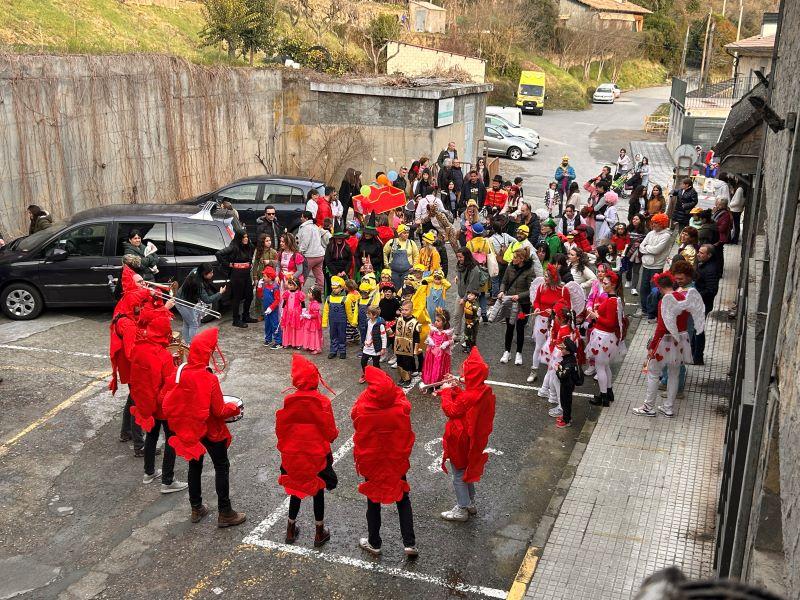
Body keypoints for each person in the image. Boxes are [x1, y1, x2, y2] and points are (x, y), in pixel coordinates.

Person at [162, 328, 246, 527]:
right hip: (211, 430)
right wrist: (233, 408)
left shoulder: (181, 371)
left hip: (192, 428)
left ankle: (196, 507)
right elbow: (218, 411)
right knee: (221, 466)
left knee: (194, 466)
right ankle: (225, 512)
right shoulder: (209, 378)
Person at [352, 366, 417, 557]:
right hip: (395, 458)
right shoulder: (399, 406)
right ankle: (409, 543)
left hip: (372, 459)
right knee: (402, 496)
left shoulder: (364, 407)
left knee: (373, 499)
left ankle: (374, 542)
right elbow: (406, 405)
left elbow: (354, 416)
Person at [275, 353, 338, 546]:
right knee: (317, 490)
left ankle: (290, 529)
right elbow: (331, 434)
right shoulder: (323, 402)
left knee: (296, 487)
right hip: (316, 455)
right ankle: (319, 532)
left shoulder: (289, 400)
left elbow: (281, 431)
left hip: (293, 454)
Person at [129, 307, 188, 494]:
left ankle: (149, 472)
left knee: (152, 435)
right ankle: (168, 481)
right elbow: (169, 383)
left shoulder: (138, 347)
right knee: (171, 438)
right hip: (162, 405)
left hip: (147, 402)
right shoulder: (161, 355)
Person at [633, 273, 705, 418]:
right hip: (681, 338)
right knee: (674, 373)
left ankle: (648, 406)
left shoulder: (664, 301)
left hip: (665, 340)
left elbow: (661, 328)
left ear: (659, 287)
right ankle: (668, 408)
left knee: (653, 372)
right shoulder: (684, 297)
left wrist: (652, 347)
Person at [438, 348, 496, 522]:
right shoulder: (481, 390)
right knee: (466, 470)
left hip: (460, 437)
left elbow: (452, 410)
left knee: (458, 473)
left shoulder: (470, 395)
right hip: (470, 436)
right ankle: (470, 502)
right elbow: (466, 399)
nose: (462, 375)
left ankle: (462, 508)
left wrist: (446, 391)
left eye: (465, 373)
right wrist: (456, 387)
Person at [109, 267, 156, 456]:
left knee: (132, 399)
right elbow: (131, 353)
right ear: (130, 287)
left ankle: (125, 432)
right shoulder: (126, 323)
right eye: (140, 282)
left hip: (129, 365)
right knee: (139, 402)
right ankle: (139, 445)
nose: (144, 285)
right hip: (133, 366)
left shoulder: (127, 306)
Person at [586, 272, 626, 407]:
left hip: (603, 337)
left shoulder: (612, 301)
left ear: (613, 285)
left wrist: (595, 315)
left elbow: (610, 323)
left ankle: (603, 397)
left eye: (605, 283)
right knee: (605, 366)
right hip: (606, 338)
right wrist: (599, 308)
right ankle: (608, 392)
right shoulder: (614, 299)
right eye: (602, 282)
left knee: (600, 367)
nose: (602, 284)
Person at [497, 247, 536, 365]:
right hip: (510, 302)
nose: (512, 259)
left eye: (514, 257)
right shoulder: (510, 268)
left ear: (522, 259)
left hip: (523, 304)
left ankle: (519, 353)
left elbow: (532, 289)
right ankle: (507, 352)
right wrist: (502, 291)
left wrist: (519, 296)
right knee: (509, 327)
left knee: (520, 328)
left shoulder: (530, 271)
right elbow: (504, 282)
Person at [176, 264, 225, 344]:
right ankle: (193, 344)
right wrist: (220, 293)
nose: (212, 274)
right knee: (194, 324)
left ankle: (188, 344)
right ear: (204, 274)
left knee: (187, 323)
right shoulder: (198, 284)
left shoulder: (195, 271)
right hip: (182, 303)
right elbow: (207, 300)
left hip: (183, 300)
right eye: (211, 273)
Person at [216, 231, 255, 328]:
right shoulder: (233, 247)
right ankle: (236, 319)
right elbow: (218, 254)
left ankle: (246, 315)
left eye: (247, 236)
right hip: (237, 274)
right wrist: (228, 264)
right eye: (244, 237)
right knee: (237, 297)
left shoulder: (249, 246)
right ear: (239, 238)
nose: (246, 238)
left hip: (246, 274)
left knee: (249, 295)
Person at [637, 213, 672, 319]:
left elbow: (657, 250)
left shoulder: (666, 236)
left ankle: (652, 312)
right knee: (643, 288)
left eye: (656, 223)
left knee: (655, 291)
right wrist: (648, 248)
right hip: (646, 265)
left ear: (662, 224)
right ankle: (644, 310)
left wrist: (646, 248)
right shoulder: (651, 233)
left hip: (656, 266)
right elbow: (641, 246)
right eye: (653, 222)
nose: (653, 225)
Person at [692, 244, 721, 364]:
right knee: (696, 330)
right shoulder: (704, 265)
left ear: (709, 255)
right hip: (699, 303)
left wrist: (696, 295)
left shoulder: (710, 270)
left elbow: (711, 290)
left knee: (698, 330)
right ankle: (694, 354)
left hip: (703, 305)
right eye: (699, 252)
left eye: (702, 253)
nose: (698, 254)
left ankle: (697, 357)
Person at [453, 248, 482, 343]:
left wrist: (465, 298)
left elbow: (471, 286)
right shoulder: (461, 265)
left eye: (460, 257)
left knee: (469, 319)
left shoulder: (474, 269)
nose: (459, 259)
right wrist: (458, 277)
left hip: (470, 298)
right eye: (458, 257)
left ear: (467, 256)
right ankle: (456, 334)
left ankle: (470, 340)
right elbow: (461, 274)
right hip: (460, 294)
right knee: (457, 315)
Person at [421, 308, 453, 391]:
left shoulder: (446, 332)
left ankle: (438, 382)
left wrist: (446, 343)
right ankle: (430, 381)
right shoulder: (433, 330)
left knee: (439, 367)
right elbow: (429, 336)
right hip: (432, 352)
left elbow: (451, 340)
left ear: (444, 322)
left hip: (441, 353)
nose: (435, 322)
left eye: (438, 321)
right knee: (431, 367)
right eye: (435, 320)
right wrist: (430, 340)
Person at [394, 301, 422, 389]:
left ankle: (408, 379)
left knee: (407, 363)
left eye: (406, 310)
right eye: (402, 310)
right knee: (399, 362)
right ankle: (402, 377)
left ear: (412, 310)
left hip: (409, 347)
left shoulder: (415, 323)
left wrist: (415, 349)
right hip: (398, 346)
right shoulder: (399, 319)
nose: (404, 312)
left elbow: (417, 338)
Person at [555, 337, 581, 428]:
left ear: (568, 351)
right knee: (565, 401)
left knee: (565, 402)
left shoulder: (570, 363)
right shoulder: (569, 358)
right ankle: (566, 417)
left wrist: (557, 369)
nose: (561, 350)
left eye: (563, 349)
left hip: (567, 385)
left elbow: (562, 375)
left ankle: (567, 420)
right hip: (567, 384)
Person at [384, 224, 419, 290]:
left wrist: (414, 267)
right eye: (404, 233)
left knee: (405, 289)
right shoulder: (392, 242)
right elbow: (385, 252)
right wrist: (386, 264)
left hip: (407, 271)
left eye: (407, 233)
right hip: (393, 272)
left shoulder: (411, 243)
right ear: (399, 234)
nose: (407, 235)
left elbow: (416, 255)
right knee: (394, 289)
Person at [297, 211, 325, 290]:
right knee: (319, 274)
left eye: (302, 217)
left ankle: (298, 290)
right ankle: (321, 289)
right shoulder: (315, 226)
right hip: (320, 254)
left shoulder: (306, 228)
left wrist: (300, 252)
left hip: (310, 255)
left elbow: (305, 242)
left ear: (306, 218)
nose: (301, 218)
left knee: (303, 274)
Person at [324, 221, 353, 293]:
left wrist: (345, 271)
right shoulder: (330, 247)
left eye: (341, 238)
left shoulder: (347, 247)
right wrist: (336, 273)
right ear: (334, 238)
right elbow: (328, 261)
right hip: (332, 271)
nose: (339, 239)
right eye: (338, 238)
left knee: (344, 290)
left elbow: (350, 260)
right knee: (333, 290)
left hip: (344, 271)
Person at [323, 276, 348, 359]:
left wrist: (353, 321)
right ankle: (333, 351)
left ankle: (342, 351)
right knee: (333, 335)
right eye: (332, 288)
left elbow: (349, 312)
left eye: (336, 288)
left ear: (341, 288)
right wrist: (324, 322)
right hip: (332, 321)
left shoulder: (345, 298)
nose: (334, 289)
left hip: (342, 321)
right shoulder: (329, 298)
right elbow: (325, 311)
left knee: (342, 335)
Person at [359, 306, 387, 382]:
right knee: (363, 361)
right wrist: (364, 341)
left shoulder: (380, 325)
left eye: (369, 313)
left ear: (374, 315)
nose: (367, 315)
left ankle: (378, 376)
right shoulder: (367, 321)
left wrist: (383, 348)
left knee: (376, 364)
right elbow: (366, 332)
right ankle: (365, 374)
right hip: (367, 346)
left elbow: (384, 337)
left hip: (376, 347)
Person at [257, 266, 282, 349]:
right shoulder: (265, 285)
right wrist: (259, 287)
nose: (263, 278)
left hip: (273, 310)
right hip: (266, 309)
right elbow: (260, 296)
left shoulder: (275, 287)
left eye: (264, 276)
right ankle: (268, 339)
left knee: (275, 325)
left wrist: (271, 308)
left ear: (270, 277)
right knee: (267, 325)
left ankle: (278, 341)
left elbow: (277, 300)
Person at [279, 276, 305, 350]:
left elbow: (302, 303)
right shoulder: (286, 293)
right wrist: (283, 309)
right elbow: (284, 301)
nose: (289, 286)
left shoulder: (299, 294)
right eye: (289, 284)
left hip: (296, 313)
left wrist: (303, 311)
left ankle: (297, 343)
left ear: (296, 286)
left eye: (291, 285)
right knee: (288, 326)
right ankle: (287, 342)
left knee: (296, 327)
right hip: (287, 312)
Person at [623, 215, 646, 296]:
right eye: (633, 218)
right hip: (629, 251)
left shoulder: (645, 231)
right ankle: (628, 280)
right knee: (628, 268)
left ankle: (634, 288)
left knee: (636, 270)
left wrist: (638, 244)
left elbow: (645, 242)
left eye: (637, 219)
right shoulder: (628, 228)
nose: (634, 220)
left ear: (641, 220)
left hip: (638, 253)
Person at [356, 213, 385, 277]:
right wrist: (360, 266)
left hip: (373, 270)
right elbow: (357, 256)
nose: (367, 234)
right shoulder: (361, 243)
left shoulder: (378, 244)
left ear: (372, 234)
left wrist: (368, 261)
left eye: (369, 233)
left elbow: (380, 258)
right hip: (362, 271)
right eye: (366, 233)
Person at [300, 287, 324, 355]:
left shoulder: (315, 304)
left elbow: (315, 315)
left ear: (314, 295)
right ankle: (310, 345)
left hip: (314, 322)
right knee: (310, 333)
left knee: (314, 335)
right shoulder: (311, 302)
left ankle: (317, 348)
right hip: (310, 321)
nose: (308, 294)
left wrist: (307, 315)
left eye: (309, 293)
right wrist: (306, 313)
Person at [712, 197, 732, 269]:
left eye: (719, 204)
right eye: (717, 204)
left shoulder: (725, 214)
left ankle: (719, 271)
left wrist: (713, 226)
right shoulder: (718, 211)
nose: (717, 205)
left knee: (718, 254)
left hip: (720, 238)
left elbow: (722, 228)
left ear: (724, 205)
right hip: (716, 236)